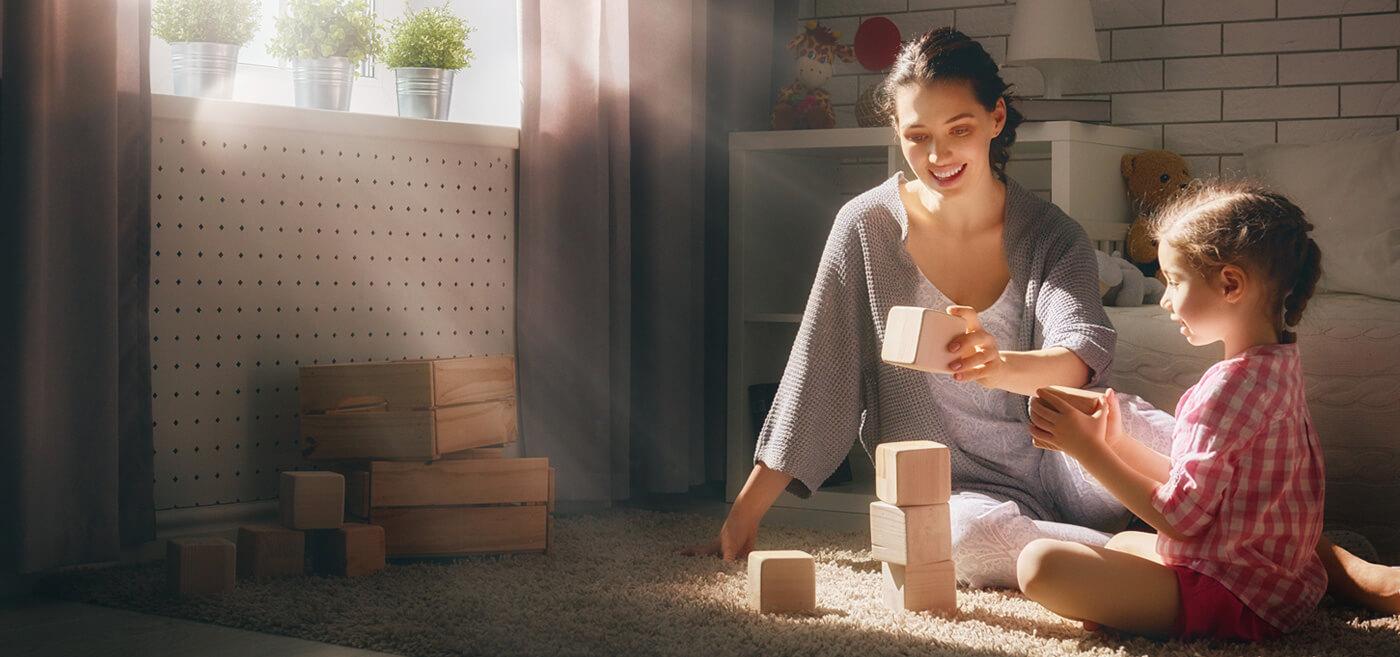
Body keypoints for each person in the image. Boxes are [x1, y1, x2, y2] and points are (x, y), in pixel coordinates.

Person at [681, 26, 1400, 616]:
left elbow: (1082, 353)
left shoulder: (1047, 231)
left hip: (1061, 449)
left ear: (997, 119)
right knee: (962, 536)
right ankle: (1160, 558)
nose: (937, 156)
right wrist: (743, 518)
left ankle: (1322, 560)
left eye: (958, 129)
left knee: (1155, 428)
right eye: (916, 136)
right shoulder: (865, 227)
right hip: (957, 481)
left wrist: (998, 363)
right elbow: (819, 373)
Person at [1017, 182, 1330, 640]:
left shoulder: (1225, 389)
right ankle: (1129, 603)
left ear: (1230, 284)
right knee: (1122, 543)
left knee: (1038, 564)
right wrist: (1117, 443)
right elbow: (1201, 489)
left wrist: (1087, 451)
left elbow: (1180, 519)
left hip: (1234, 595)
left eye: (1175, 281)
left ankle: (1144, 611)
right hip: (1275, 583)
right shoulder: (1279, 364)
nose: (1164, 300)